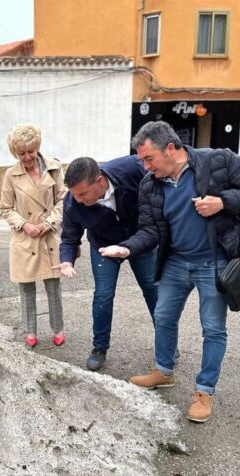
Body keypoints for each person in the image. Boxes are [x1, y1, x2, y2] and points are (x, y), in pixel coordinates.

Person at [99, 121, 240, 423]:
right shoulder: (150, 184)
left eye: (149, 159)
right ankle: (163, 371)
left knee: (213, 328)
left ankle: (204, 390)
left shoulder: (219, 161)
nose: (146, 167)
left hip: (213, 262)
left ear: (172, 149)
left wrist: (222, 202)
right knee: (163, 316)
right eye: (142, 161)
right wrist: (126, 248)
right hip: (175, 261)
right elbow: (149, 230)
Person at [53, 156, 157, 371]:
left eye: (83, 193)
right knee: (103, 294)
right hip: (103, 245)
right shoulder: (73, 202)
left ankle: (166, 344)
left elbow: (159, 178)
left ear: (99, 181)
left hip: (140, 240)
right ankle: (99, 348)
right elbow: (70, 237)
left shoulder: (131, 170)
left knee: (152, 289)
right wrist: (66, 260)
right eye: (74, 194)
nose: (79, 199)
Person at [0, 123, 66, 348]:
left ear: (38, 147)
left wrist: (49, 223)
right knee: (26, 287)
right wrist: (24, 225)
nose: (27, 157)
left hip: (48, 235)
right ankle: (30, 330)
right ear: (15, 153)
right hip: (25, 237)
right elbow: (6, 208)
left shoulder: (54, 168)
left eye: (31, 151)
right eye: (22, 153)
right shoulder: (11, 175)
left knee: (53, 287)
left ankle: (58, 328)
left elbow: (63, 200)